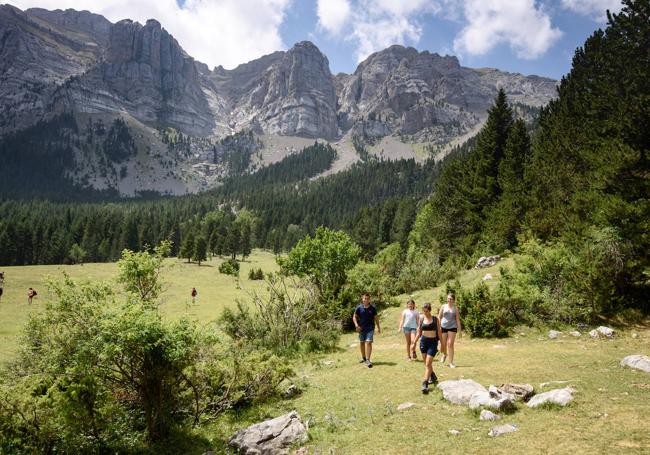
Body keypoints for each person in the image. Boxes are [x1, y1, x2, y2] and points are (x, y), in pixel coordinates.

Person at [414, 302, 441, 394]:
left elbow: (440, 333)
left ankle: (425, 383)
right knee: (427, 364)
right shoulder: (421, 319)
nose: (425, 313)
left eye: (426, 311)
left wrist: (443, 345)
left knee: (428, 363)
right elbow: (419, 332)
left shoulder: (435, 319)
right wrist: (413, 343)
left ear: (430, 310)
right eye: (424, 311)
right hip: (423, 342)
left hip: (433, 343)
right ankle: (432, 375)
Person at [353, 292, 381, 368]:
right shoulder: (359, 308)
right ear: (362, 299)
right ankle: (364, 358)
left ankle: (368, 359)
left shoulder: (373, 308)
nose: (366, 300)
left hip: (370, 328)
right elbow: (354, 317)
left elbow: (376, 318)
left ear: (369, 300)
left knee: (368, 342)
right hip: (361, 329)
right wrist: (356, 325)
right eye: (364, 298)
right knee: (362, 343)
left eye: (367, 299)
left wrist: (378, 327)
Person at [438, 292, 462, 368]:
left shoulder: (455, 308)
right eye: (448, 298)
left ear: (454, 300)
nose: (449, 300)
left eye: (451, 299)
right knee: (443, 344)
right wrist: (438, 326)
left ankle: (451, 362)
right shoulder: (443, 306)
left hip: (453, 327)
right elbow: (439, 317)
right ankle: (445, 354)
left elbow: (457, 319)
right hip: (443, 326)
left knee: (450, 344)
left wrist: (460, 331)